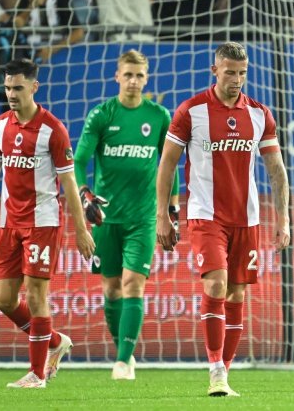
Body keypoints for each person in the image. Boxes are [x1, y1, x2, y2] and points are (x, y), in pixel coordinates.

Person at [155, 42, 290, 397]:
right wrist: (163, 215)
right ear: (214, 71)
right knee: (215, 285)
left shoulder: (260, 114)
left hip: (246, 218)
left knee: (236, 293)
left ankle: (223, 374)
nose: (237, 79)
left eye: (242, 73)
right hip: (205, 215)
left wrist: (284, 219)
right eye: (230, 72)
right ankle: (215, 369)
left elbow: (276, 169)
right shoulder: (191, 111)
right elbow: (167, 162)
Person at [0, 58, 95, 388]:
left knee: (37, 296)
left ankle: (37, 374)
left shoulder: (53, 129)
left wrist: (81, 229)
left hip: (43, 222)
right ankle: (54, 342)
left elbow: (68, 182)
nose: (11, 93)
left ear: (34, 87)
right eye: (8, 87)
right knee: (4, 300)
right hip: (9, 222)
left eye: (18, 88)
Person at [73, 49, 180, 380]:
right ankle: (125, 351)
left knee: (134, 284)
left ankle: (122, 362)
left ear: (147, 80)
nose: (134, 81)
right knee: (111, 289)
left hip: (143, 217)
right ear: (117, 76)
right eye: (128, 75)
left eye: (139, 76)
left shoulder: (160, 116)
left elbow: (170, 166)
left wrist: (171, 211)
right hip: (106, 217)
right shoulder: (101, 115)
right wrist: (83, 193)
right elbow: (78, 161)